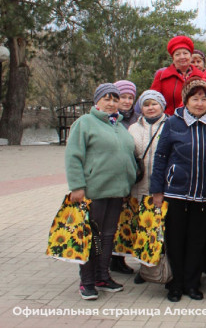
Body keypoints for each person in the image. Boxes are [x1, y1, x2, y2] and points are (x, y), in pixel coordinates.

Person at [150, 77, 206, 302]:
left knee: (198, 241)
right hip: (176, 192)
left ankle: (192, 283)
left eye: (203, 98)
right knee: (176, 239)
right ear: (185, 100)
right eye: (194, 98)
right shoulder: (172, 122)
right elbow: (160, 157)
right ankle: (176, 283)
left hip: (205, 193)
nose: (199, 103)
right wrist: (157, 190)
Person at [65, 83, 138, 300]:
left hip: (116, 192)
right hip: (94, 191)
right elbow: (73, 156)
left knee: (107, 237)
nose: (111, 103)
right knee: (91, 237)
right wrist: (77, 186)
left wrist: (130, 177)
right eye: (107, 98)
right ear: (97, 101)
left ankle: (102, 276)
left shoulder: (119, 125)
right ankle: (87, 281)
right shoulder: (85, 123)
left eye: (115, 100)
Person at [128, 90, 168, 285]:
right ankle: (143, 266)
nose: (151, 108)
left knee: (160, 229)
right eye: (146, 104)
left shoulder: (170, 125)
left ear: (162, 105)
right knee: (141, 228)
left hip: (162, 187)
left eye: (154, 103)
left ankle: (160, 266)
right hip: (139, 186)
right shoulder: (133, 129)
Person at [150, 35, 204, 116]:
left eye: (185, 53)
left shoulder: (202, 77)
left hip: (196, 122)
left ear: (190, 55)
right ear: (173, 58)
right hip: (169, 121)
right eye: (177, 54)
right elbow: (153, 100)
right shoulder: (162, 76)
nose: (182, 57)